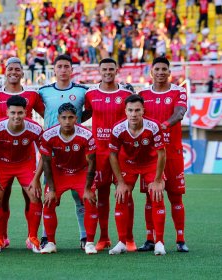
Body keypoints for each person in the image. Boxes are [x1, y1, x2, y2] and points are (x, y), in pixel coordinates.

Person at [0, 57, 45, 247]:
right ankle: (0, 238)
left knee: (33, 194)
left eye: (17, 69)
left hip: (25, 159)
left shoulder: (32, 95)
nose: (13, 72)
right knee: (0, 197)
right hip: (1, 158)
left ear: (22, 72)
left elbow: (47, 115)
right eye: (10, 69)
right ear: (5, 71)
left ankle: (32, 236)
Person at [83, 58, 134, 254]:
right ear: (99, 70)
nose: (107, 72)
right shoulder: (91, 93)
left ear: (116, 70)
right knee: (101, 196)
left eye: (111, 69)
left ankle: (128, 239)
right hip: (100, 152)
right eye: (104, 69)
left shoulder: (126, 94)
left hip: (122, 152)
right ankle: (104, 238)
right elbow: (85, 114)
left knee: (125, 195)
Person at [38, 54, 89, 249]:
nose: (63, 70)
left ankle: (84, 237)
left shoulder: (82, 91)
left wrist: (75, 123)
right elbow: (37, 108)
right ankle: (46, 237)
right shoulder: (44, 92)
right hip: (52, 150)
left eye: (66, 66)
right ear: (54, 69)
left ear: (71, 69)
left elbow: (89, 110)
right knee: (49, 194)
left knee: (80, 196)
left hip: (75, 150)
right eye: (59, 66)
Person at [139, 56, 189, 252]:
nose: (160, 72)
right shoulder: (143, 93)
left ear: (169, 72)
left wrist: (164, 126)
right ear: (152, 72)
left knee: (175, 196)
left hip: (172, 153)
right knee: (151, 198)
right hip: (150, 155)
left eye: (164, 69)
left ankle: (180, 239)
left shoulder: (178, 91)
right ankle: (150, 238)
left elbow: (179, 113)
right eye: (157, 69)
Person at [108, 94, 167, 256]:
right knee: (121, 195)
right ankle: (122, 242)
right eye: (130, 110)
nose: (134, 114)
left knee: (156, 195)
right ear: (125, 111)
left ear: (143, 111)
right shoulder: (118, 129)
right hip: (128, 164)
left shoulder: (153, 127)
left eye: (137, 110)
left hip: (150, 164)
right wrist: (120, 182)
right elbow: (112, 155)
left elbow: (162, 154)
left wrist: (157, 180)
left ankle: (159, 242)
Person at [39, 103, 96, 254]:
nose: (67, 121)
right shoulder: (48, 135)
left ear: (76, 118)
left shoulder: (86, 135)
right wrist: (51, 189)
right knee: (49, 201)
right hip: (59, 173)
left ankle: (89, 242)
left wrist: (88, 189)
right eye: (64, 118)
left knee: (90, 201)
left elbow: (91, 163)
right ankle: (50, 242)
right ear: (58, 118)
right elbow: (45, 162)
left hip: (81, 172)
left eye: (71, 117)